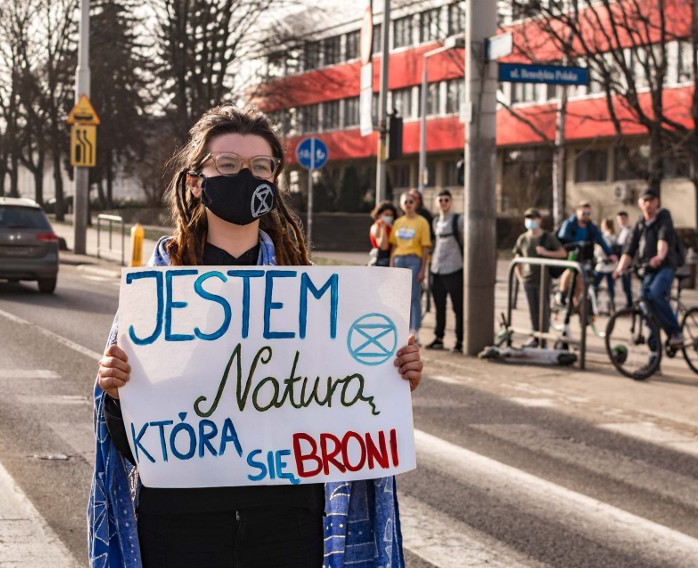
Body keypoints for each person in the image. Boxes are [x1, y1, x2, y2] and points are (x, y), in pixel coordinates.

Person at [89, 105, 424, 568]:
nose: (244, 176)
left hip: (287, 524)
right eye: (227, 165)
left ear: (273, 181)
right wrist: (115, 393)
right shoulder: (156, 291)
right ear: (195, 180)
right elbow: (135, 442)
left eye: (260, 166)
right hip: (180, 525)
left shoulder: (311, 295)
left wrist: (393, 374)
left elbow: (346, 404)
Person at [614, 188, 686, 351]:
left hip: (665, 266)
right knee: (646, 305)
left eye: (651, 201)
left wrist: (660, 256)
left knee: (655, 294)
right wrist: (619, 269)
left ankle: (675, 333)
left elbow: (664, 237)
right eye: (644, 201)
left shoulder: (664, 217)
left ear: (656, 202)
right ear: (640, 204)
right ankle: (654, 357)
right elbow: (629, 249)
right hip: (648, 270)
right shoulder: (640, 223)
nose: (648, 204)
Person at [512, 208, 567, 348]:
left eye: (533, 218)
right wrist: (520, 277)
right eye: (528, 218)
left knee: (543, 311)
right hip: (528, 280)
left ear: (539, 220)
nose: (531, 221)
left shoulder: (547, 237)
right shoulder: (523, 239)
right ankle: (535, 337)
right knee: (532, 311)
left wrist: (546, 252)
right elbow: (517, 258)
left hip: (543, 280)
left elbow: (562, 253)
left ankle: (543, 339)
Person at [390, 191, 432, 343]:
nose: (408, 204)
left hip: (414, 260)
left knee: (414, 296)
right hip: (399, 260)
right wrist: (391, 266)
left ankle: (415, 329)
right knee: (400, 297)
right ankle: (402, 327)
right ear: (401, 205)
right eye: (405, 202)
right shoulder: (398, 222)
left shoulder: (422, 222)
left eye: (410, 201)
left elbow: (425, 247)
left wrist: (423, 269)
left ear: (416, 203)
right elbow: (394, 246)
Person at [557, 201, 617, 305]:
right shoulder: (570, 224)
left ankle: (575, 303)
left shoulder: (591, 226)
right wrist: (574, 244)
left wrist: (610, 253)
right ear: (578, 212)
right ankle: (562, 292)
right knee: (570, 270)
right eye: (584, 213)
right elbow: (562, 238)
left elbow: (601, 240)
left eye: (588, 213)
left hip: (585, 255)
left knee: (582, 280)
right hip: (572, 253)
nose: (586, 216)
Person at [426, 189, 464, 353]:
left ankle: (460, 339)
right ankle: (439, 337)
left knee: (458, 307)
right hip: (437, 268)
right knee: (439, 305)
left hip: (455, 267)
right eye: (440, 200)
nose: (443, 203)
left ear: (451, 202)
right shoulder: (435, 222)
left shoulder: (458, 220)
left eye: (446, 200)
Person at [593, 218, 617, 310]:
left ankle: (593, 303)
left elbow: (600, 251)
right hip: (611, 265)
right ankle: (612, 304)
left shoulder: (605, 237)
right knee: (611, 287)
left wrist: (596, 249)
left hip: (603, 265)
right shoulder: (614, 236)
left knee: (594, 285)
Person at [369, 201, 397, 267]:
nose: (389, 217)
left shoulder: (391, 226)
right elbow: (383, 247)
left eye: (391, 215)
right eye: (386, 214)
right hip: (381, 260)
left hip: (391, 259)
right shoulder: (376, 227)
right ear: (379, 214)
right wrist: (383, 228)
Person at [615, 210, 634, 308]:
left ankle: (630, 304)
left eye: (622, 219)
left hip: (627, 262)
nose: (620, 221)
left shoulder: (629, 231)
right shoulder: (622, 231)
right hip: (621, 260)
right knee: (624, 284)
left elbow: (627, 248)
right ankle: (629, 303)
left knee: (627, 284)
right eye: (619, 220)